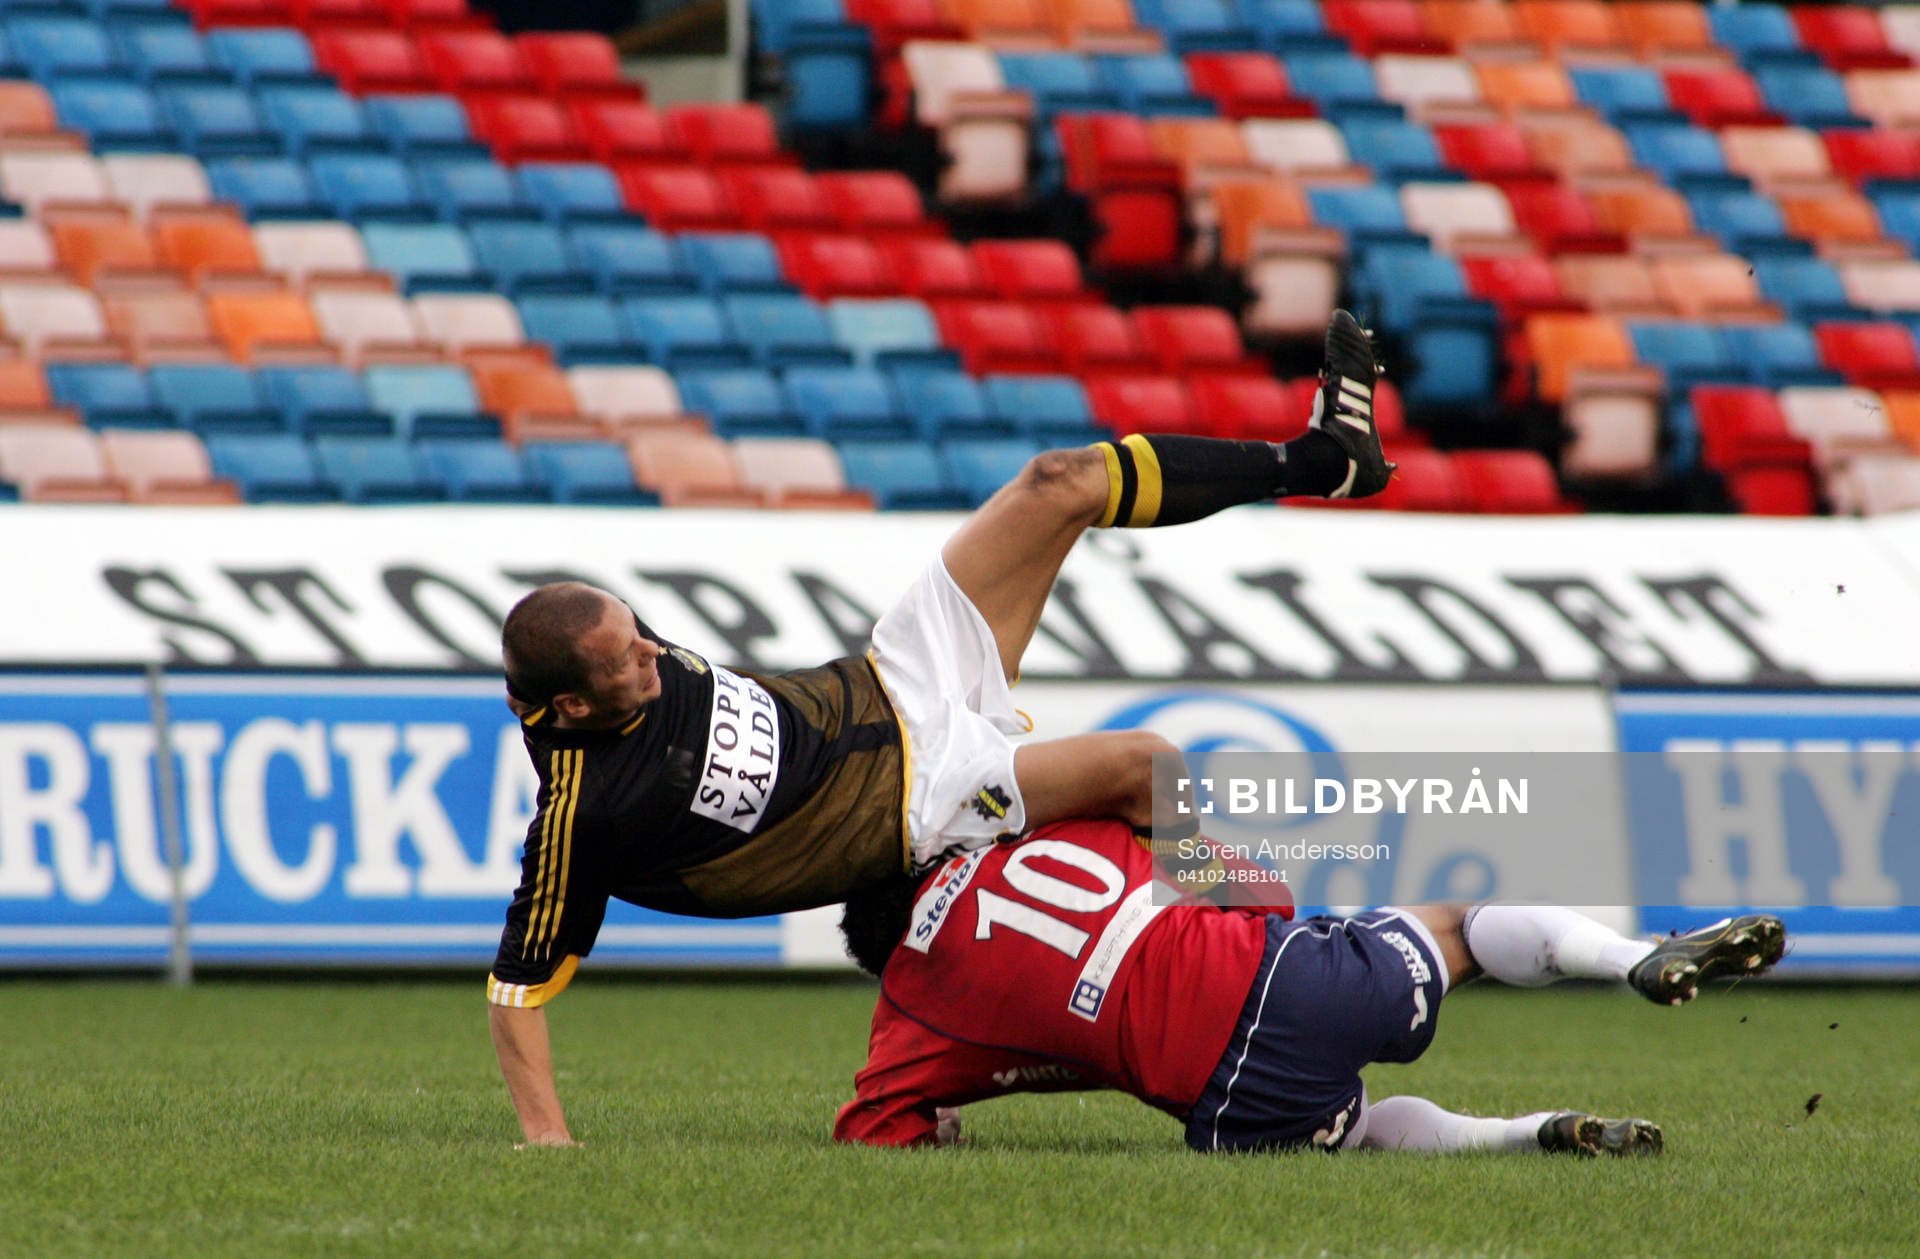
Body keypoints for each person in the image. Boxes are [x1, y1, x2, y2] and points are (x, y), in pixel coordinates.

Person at [487, 311, 1395, 1145]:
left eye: (641, 633)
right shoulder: (585, 810)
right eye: (630, 660)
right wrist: (549, 1142)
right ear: (572, 706)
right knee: (1148, 766)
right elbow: (516, 992)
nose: (653, 650)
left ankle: (1322, 459)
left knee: (1057, 481)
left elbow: (637, 656)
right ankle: (1233, 913)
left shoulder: (608, 653)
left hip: (893, 675)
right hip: (922, 799)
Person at [833, 816, 1788, 1155]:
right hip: (1273, 974)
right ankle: (1632, 959)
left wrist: (941, 1125)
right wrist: (1236, 886)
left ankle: (1531, 1133)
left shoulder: (909, 1010)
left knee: (1358, 1129)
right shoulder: (1046, 839)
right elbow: (1265, 891)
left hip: (1222, 1098)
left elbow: (873, 1126)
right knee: (1458, 923)